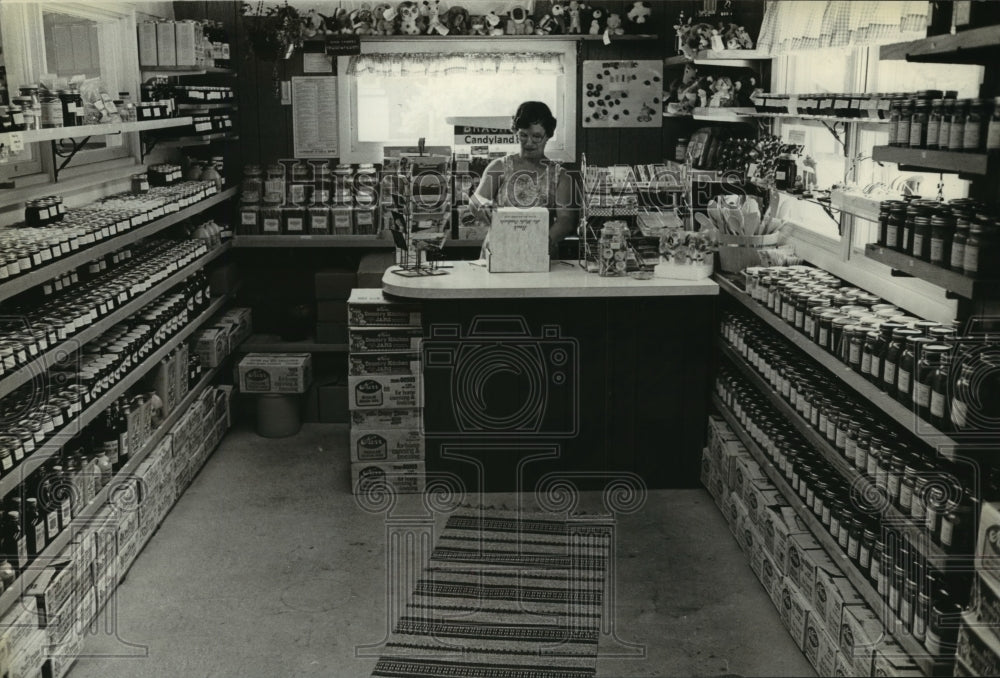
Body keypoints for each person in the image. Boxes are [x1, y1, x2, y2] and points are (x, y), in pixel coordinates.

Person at [468, 101, 577, 257]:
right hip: (499, 249)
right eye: (523, 135)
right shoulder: (499, 166)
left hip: (540, 250)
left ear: (548, 135)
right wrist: (482, 205)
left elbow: (566, 220)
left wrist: (542, 241)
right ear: (515, 132)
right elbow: (475, 199)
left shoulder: (560, 176)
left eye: (537, 137)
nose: (529, 142)